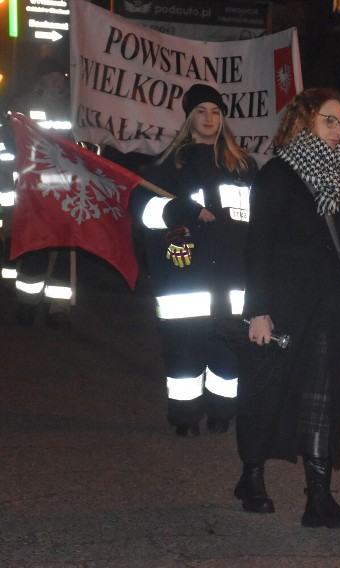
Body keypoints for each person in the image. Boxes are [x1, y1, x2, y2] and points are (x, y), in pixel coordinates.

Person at [237, 88, 340, 528]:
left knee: (323, 399)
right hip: (282, 306)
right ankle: (252, 476)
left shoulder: (335, 173)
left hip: (326, 305)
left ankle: (319, 500)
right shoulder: (277, 175)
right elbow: (257, 248)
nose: (338, 130)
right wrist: (257, 310)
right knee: (268, 392)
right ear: (304, 121)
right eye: (328, 121)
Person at [130, 83, 258, 437]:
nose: (209, 118)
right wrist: (176, 210)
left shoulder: (244, 166)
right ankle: (185, 417)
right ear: (189, 118)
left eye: (216, 112)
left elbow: (261, 219)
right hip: (185, 280)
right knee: (183, 354)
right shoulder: (168, 166)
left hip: (233, 278)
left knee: (228, 352)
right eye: (201, 111)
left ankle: (222, 411)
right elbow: (141, 211)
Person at [5, 56, 75, 327]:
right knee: (35, 245)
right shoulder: (23, 103)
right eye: (52, 74)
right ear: (41, 78)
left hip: (64, 187)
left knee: (64, 247)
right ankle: (28, 302)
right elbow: (14, 136)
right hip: (34, 187)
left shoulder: (73, 105)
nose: (57, 79)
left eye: (60, 74)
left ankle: (57, 308)